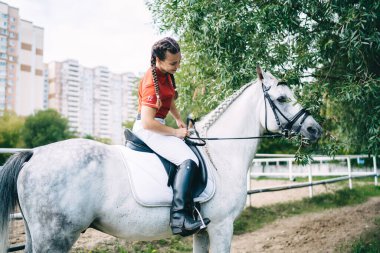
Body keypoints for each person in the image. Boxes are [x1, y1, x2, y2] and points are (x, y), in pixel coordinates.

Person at [132, 37, 210, 236]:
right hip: (148, 128)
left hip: (159, 125)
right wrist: (175, 133)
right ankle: (179, 218)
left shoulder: (165, 73)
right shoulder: (151, 81)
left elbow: (169, 99)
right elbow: (148, 123)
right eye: (173, 63)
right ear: (158, 60)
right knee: (189, 160)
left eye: (179, 61)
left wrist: (177, 119)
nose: (178, 66)